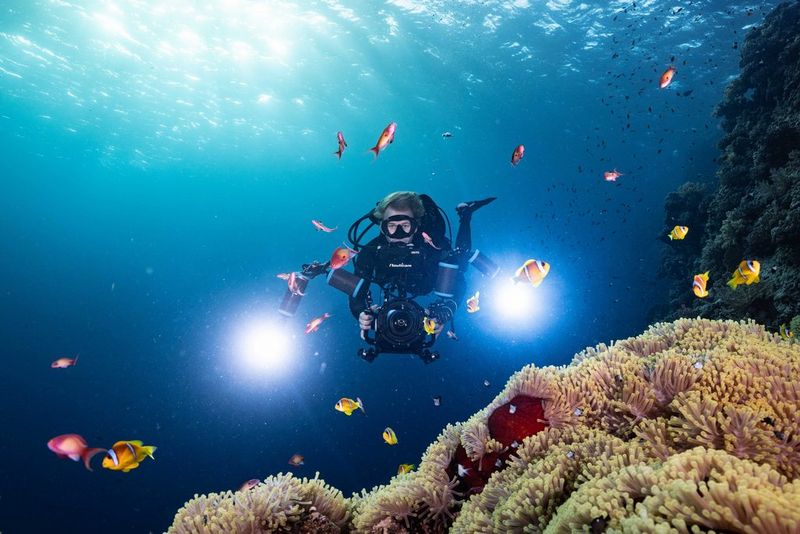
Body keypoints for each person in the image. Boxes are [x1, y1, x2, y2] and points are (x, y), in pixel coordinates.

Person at [348, 191, 494, 335]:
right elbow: (356, 292)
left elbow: (458, 284)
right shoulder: (371, 252)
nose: (399, 234)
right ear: (382, 227)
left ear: (416, 226)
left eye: (405, 225)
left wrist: (445, 312)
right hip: (408, 282)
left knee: (461, 260)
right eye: (392, 225)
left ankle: (465, 214)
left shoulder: (432, 247)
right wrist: (361, 313)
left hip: (426, 279)